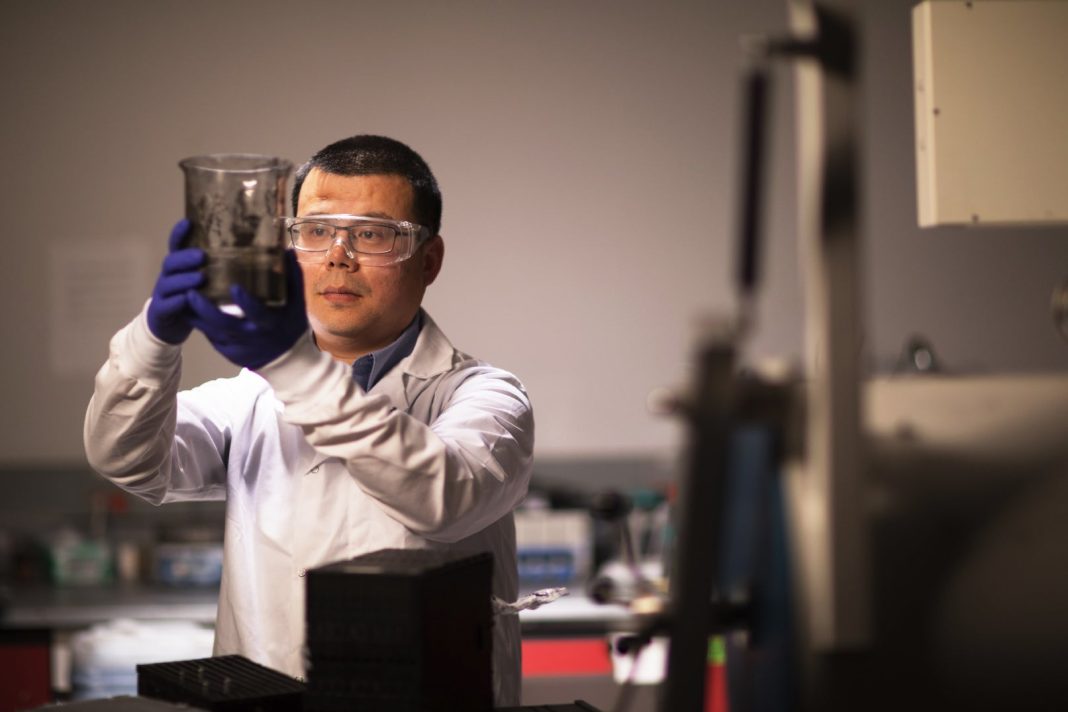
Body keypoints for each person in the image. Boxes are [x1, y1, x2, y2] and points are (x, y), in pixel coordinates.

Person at [83, 135, 534, 705]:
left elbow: (445, 498)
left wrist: (291, 365)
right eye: (316, 231)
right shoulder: (248, 399)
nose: (338, 256)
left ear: (429, 259)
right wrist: (152, 340)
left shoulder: (488, 398)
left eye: (371, 234)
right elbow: (125, 460)